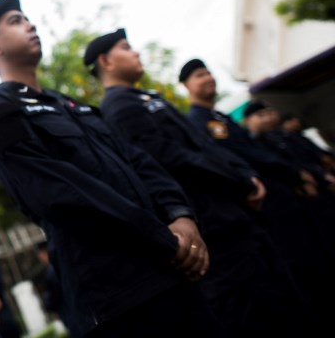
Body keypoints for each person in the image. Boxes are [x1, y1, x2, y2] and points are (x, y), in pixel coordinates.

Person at [0, 0, 223, 338]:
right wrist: (162, 237)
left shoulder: (72, 106)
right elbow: (62, 196)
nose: (30, 25)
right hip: (119, 294)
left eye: (27, 18)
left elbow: (138, 161)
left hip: (169, 269)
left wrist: (180, 215)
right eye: (16, 21)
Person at [86, 29, 310, 337]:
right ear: (105, 61)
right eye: (126, 48)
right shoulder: (119, 106)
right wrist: (239, 182)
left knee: (288, 304)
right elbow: (169, 157)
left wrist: (245, 176)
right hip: (215, 230)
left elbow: (205, 146)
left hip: (234, 219)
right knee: (260, 317)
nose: (135, 52)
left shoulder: (146, 98)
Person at [181, 59, 335, 320]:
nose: (208, 78)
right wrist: (295, 173)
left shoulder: (219, 118)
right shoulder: (198, 120)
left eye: (208, 72)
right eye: (199, 75)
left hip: (284, 197)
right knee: (300, 267)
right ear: (186, 85)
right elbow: (240, 154)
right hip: (264, 203)